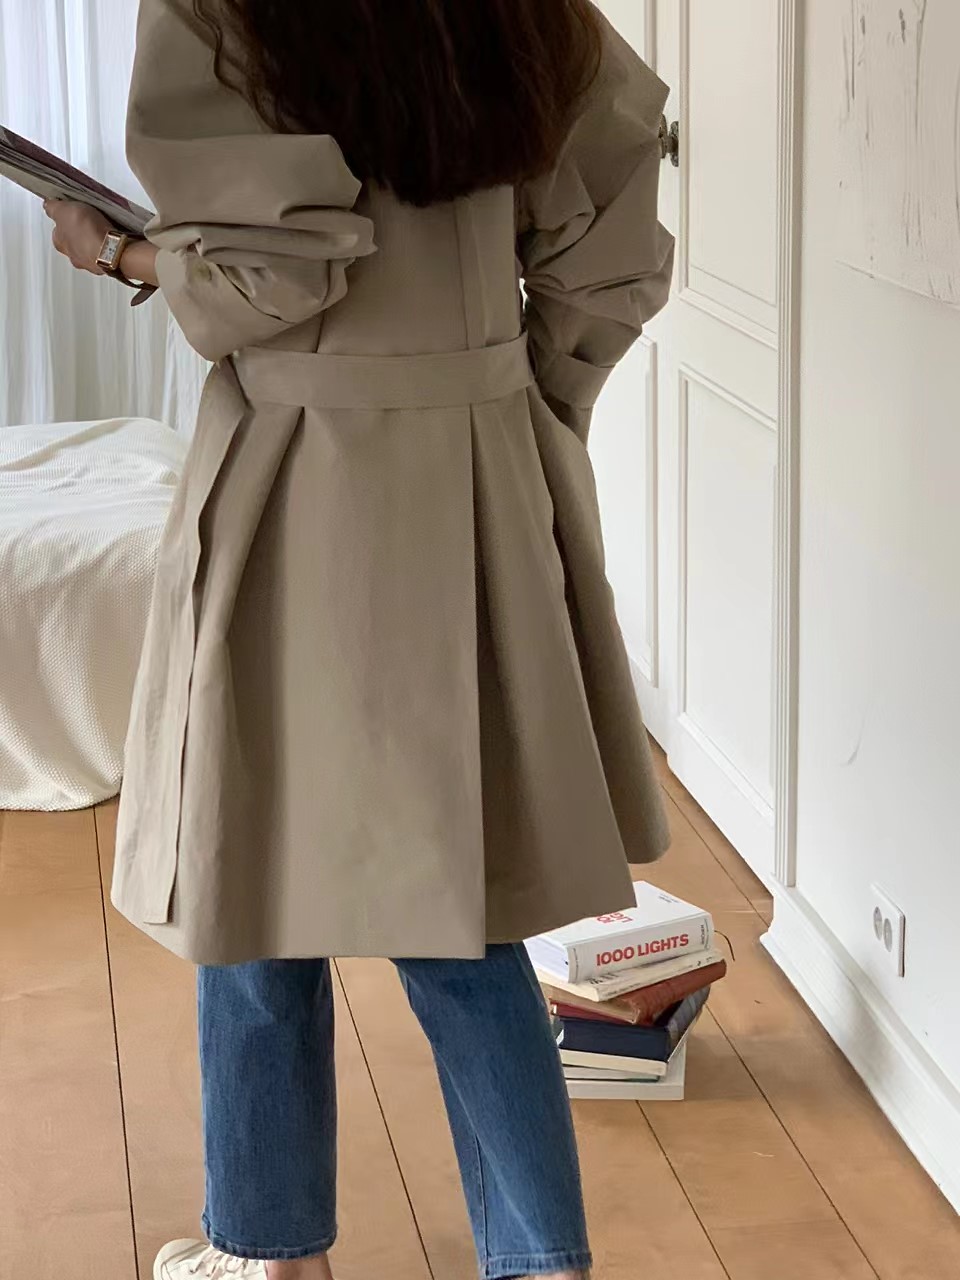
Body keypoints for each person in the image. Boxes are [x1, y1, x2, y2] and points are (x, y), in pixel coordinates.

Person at [45, 1, 674, 1276]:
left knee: (250, 876)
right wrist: (516, 394)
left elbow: (269, 274)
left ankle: (275, 1251)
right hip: (478, 466)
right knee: (464, 899)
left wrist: (121, 254)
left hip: (301, 472)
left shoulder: (218, 10)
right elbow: (608, 231)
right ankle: (540, 1260)